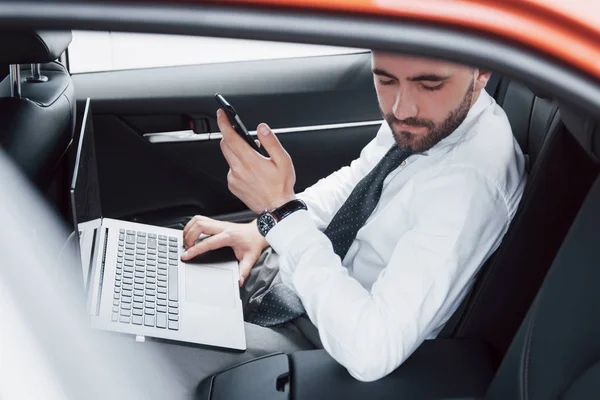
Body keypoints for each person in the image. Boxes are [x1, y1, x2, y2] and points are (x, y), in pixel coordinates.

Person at [128, 52, 526, 397]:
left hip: (321, 344)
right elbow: (359, 179)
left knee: (130, 344)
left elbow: (371, 351)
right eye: (385, 80)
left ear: (482, 71)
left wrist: (281, 213)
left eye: (429, 84)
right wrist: (263, 228)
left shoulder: (469, 185)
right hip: (305, 284)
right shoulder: (432, 120)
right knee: (146, 278)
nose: (402, 109)